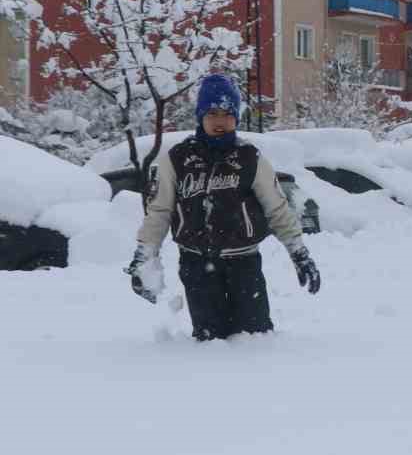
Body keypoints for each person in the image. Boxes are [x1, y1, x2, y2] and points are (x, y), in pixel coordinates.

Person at [126, 74, 321, 340]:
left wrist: (299, 253)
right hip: (197, 266)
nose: (220, 121)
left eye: (228, 113)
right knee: (210, 345)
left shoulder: (249, 158)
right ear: (200, 116)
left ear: (236, 118)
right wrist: (144, 255)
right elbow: (160, 211)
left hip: (244, 265)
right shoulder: (177, 159)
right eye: (213, 113)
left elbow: (277, 208)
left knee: (256, 340)